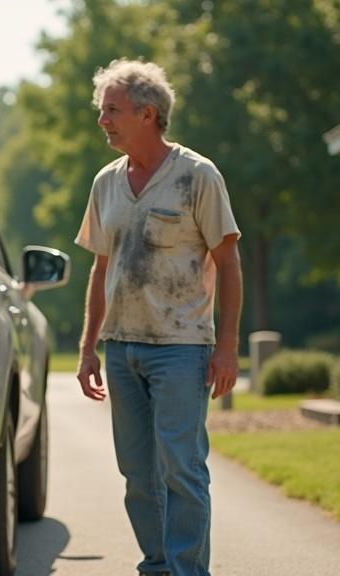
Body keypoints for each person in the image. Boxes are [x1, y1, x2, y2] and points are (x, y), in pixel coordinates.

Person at [75, 59, 242, 576]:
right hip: (122, 348)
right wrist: (87, 349)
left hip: (182, 347)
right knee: (137, 475)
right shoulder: (106, 183)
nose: (102, 119)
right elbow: (101, 268)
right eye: (102, 110)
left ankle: (188, 570)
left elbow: (228, 261)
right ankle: (157, 566)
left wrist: (228, 345)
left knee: (182, 469)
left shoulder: (197, 175)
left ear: (148, 114)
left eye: (112, 110)